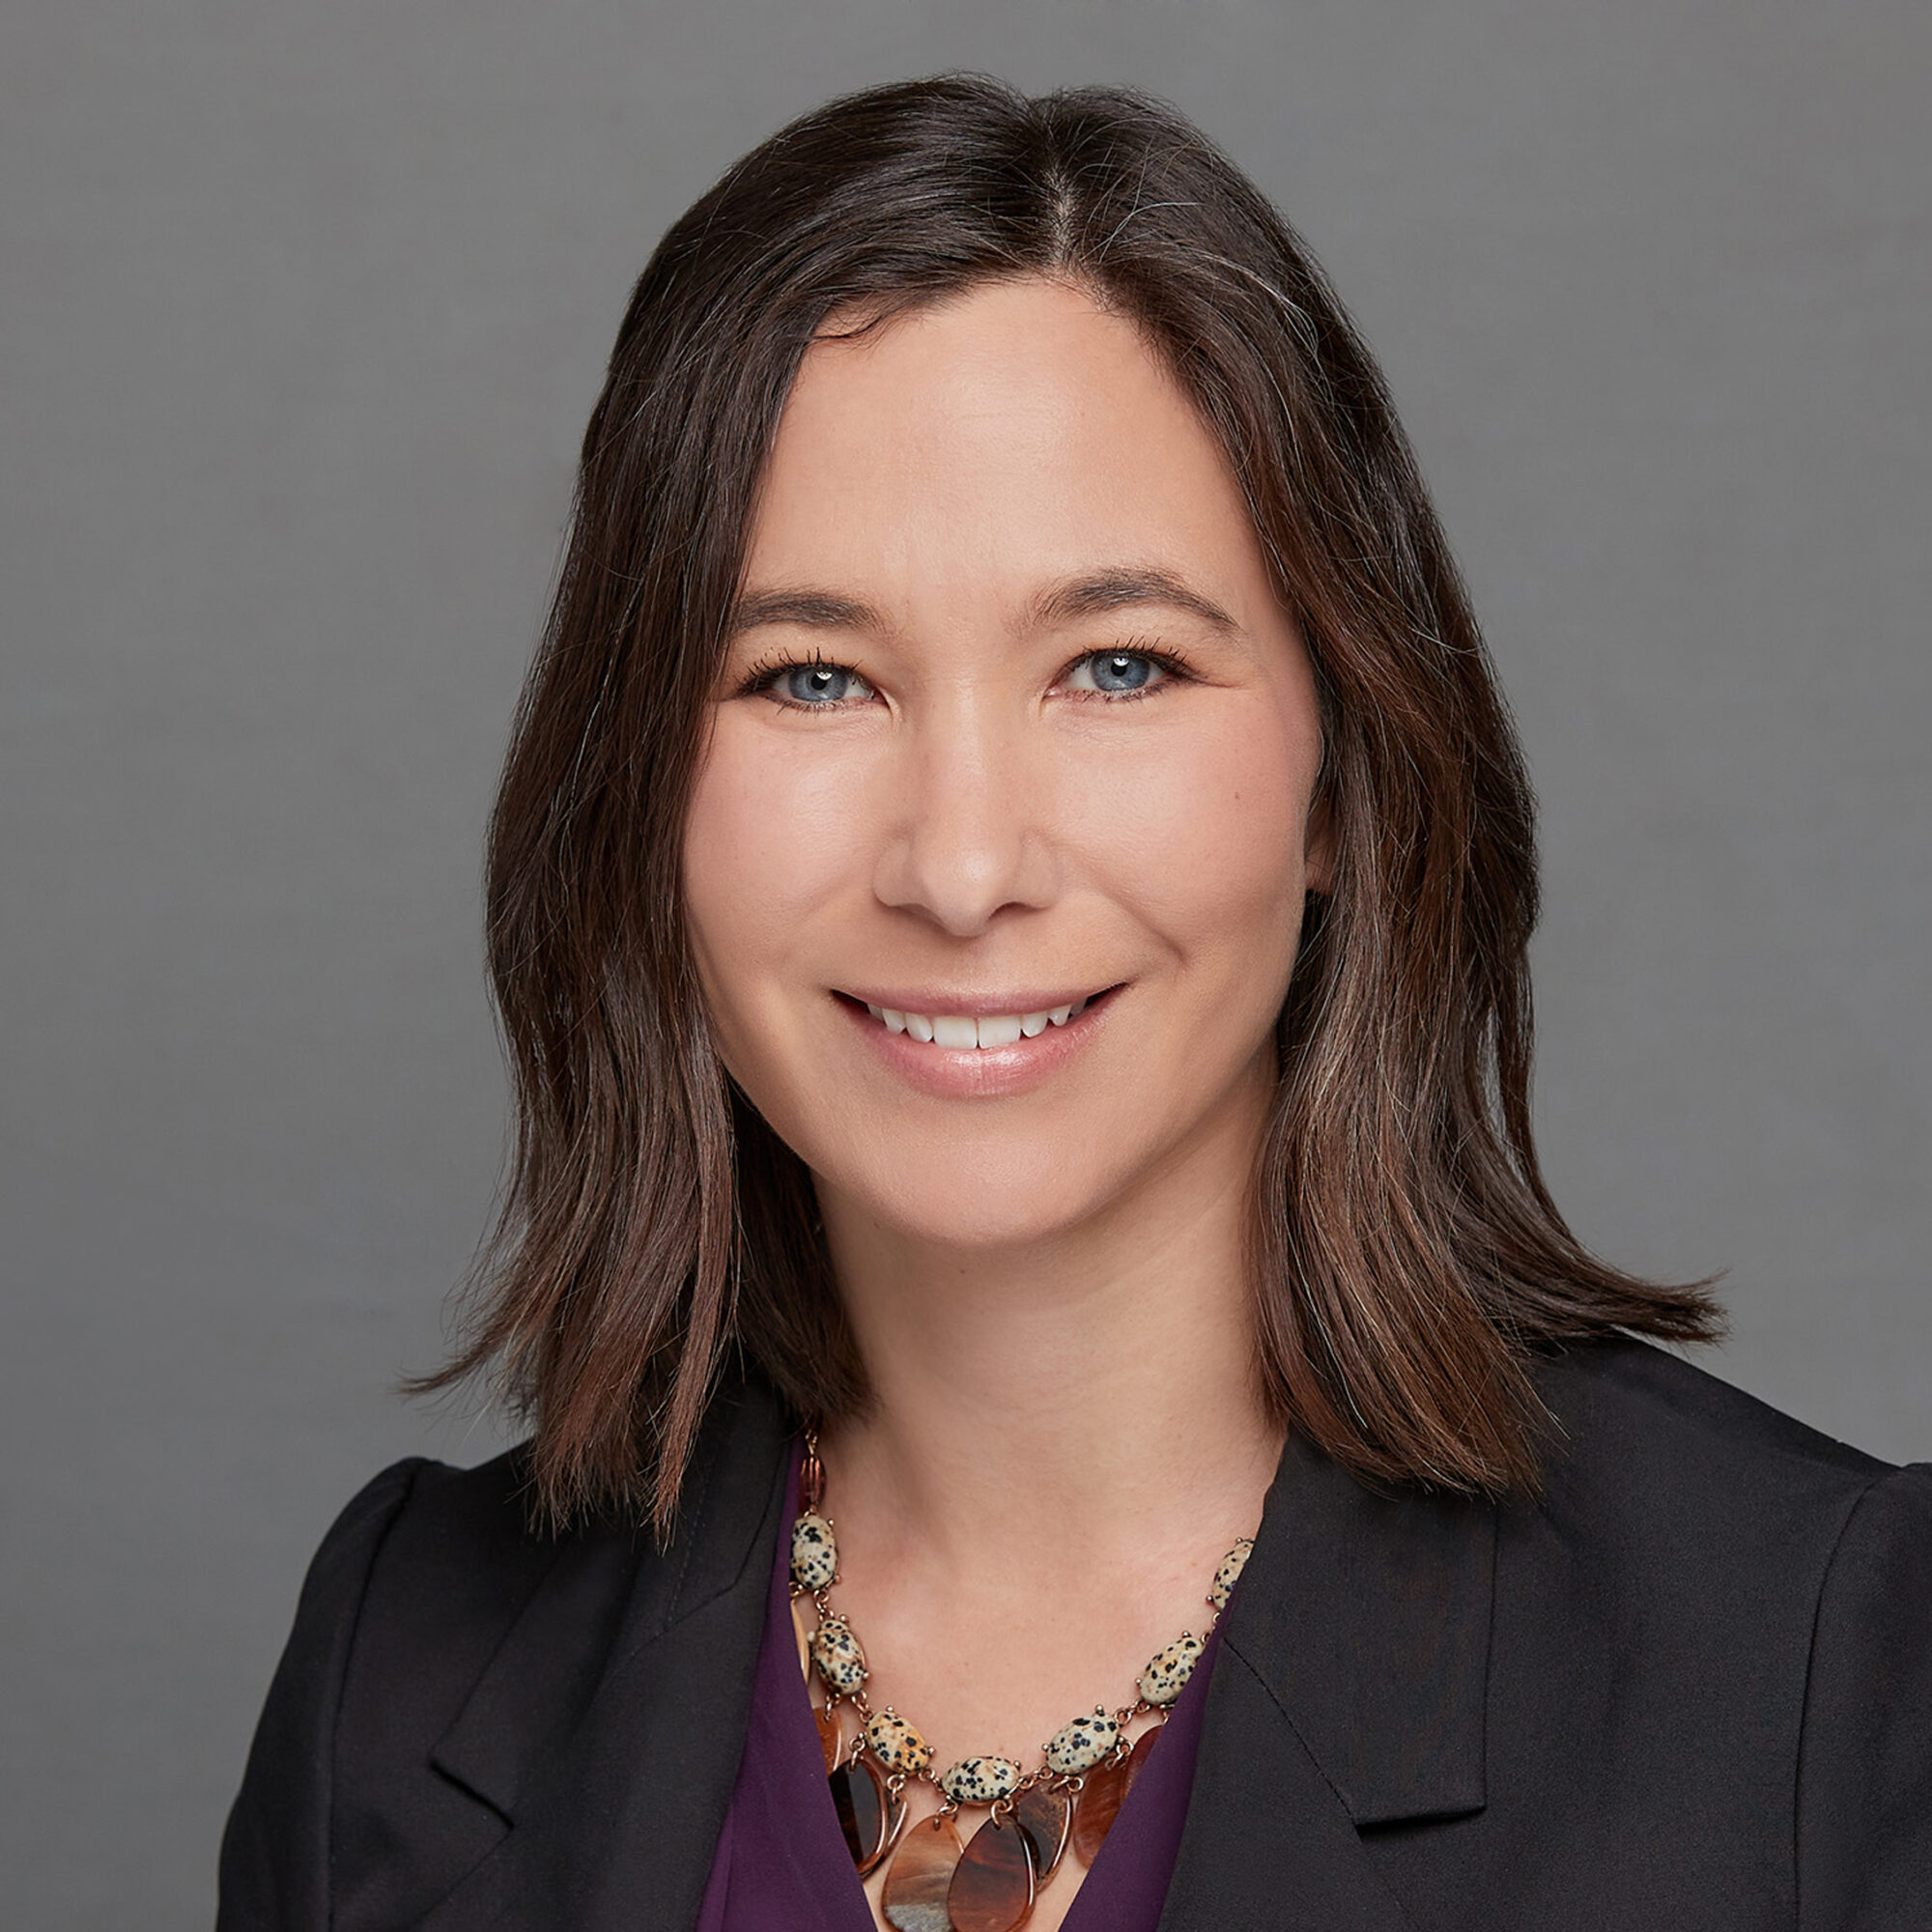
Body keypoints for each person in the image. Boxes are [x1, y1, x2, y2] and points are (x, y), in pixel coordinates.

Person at [217, 74, 1931, 1932]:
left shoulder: (1812, 1675)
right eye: (809, 678)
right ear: (637, 790)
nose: (962, 867)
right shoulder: (401, 1670)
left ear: (1344, 780)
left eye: (1118, 664)